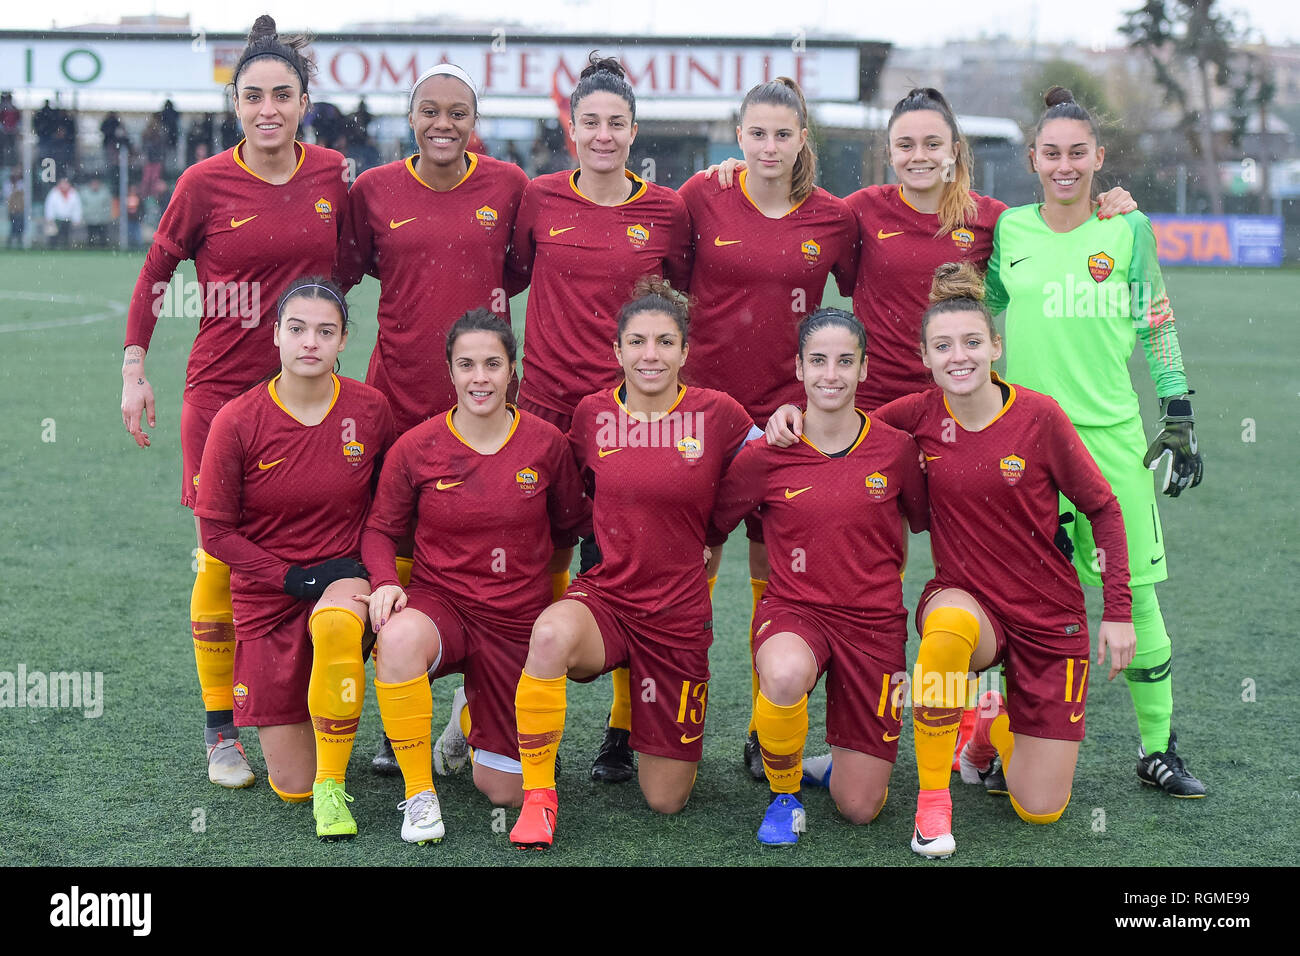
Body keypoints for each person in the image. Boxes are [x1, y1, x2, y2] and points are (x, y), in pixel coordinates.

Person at [712, 86, 1136, 772]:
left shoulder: (995, 222)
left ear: (954, 151)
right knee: (832, 569)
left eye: (932, 143)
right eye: (905, 144)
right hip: (874, 424)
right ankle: (776, 721)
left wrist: (1112, 205)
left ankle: (972, 728)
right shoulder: (857, 216)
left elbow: (1064, 224)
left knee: (969, 582)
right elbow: (791, 219)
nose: (918, 155)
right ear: (889, 151)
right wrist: (729, 174)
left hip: (961, 424)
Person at [767, 262, 1136, 856]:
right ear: (925, 357)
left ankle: (985, 733)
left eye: (971, 342)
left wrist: (1118, 611)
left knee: (1039, 810)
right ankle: (932, 805)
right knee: (946, 628)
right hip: (968, 602)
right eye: (943, 346)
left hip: (1050, 617)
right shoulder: (913, 417)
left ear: (995, 345)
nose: (958, 357)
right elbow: (836, 427)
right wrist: (787, 415)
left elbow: (1104, 509)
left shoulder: (1039, 418)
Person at [120, 14, 349, 791]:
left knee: (316, 546)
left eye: (282, 95)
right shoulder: (204, 182)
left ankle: (319, 707)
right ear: (235, 103)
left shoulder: (335, 174)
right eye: (253, 96)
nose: (268, 110)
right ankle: (222, 732)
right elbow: (156, 269)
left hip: (314, 400)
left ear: (304, 101)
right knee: (220, 554)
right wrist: (133, 368)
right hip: (221, 400)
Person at [984, 87, 1206, 797]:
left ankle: (1158, 748)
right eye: (1052, 153)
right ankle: (998, 744)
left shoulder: (1128, 231)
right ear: (1033, 160)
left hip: (1112, 443)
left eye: (1078, 152)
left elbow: (1158, 323)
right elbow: (980, 320)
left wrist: (1178, 411)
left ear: (1099, 159)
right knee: (1015, 600)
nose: (1065, 165)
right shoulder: (1009, 232)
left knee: (1135, 597)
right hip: (1024, 446)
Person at [508, 277, 755, 850]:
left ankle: (645, 736)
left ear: (685, 352)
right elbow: (565, 498)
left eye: (666, 342)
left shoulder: (718, 414)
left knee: (664, 800)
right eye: (638, 342)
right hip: (610, 598)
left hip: (678, 615)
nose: (651, 355)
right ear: (617, 351)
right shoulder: (592, 414)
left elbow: (772, 459)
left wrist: (716, 529)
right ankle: (539, 799)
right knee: (548, 635)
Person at [337, 63, 531, 775]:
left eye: (457, 111)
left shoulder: (508, 186)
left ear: (473, 121)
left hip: (482, 401)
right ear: (409, 117)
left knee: (489, 545)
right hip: (395, 399)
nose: (442, 123)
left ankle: (480, 707)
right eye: (429, 111)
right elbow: (341, 271)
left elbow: (517, 268)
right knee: (395, 543)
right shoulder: (375, 190)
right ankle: (399, 712)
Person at [507, 53, 691, 784]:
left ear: (634, 129)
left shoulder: (669, 211)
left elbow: (682, 303)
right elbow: (513, 274)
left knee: (622, 567)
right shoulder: (539, 199)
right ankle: (493, 713)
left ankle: (621, 730)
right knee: (530, 565)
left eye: (617, 123)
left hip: (630, 420)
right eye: (591, 123)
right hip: (547, 416)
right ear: (571, 129)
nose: (605, 135)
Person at [676, 78, 859, 781]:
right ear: (739, 135)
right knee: (688, 573)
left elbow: (885, 275)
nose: (770, 147)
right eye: (757, 133)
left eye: (783, 134)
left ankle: (764, 731)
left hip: (787, 424)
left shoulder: (834, 220)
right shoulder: (702, 197)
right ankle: (646, 724)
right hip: (702, 422)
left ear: (803, 139)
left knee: (776, 579)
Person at [360, 310, 588, 844]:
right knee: (395, 638)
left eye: (492, 363)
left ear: (514, 371)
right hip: (445, 607)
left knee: (503, 790)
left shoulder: (546, 444)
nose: (479, 377)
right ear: (451, 372)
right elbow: (378, 530)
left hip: (515, 620)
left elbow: (574, 525)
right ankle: (419, 796)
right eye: (467, 365)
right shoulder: (417, 447)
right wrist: (385, 581)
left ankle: (468, 715)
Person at [711, 308, 926, 845]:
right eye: (819, 361)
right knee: (782, 674)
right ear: (800, 369)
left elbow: (928, 520)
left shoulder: (896, 450)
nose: (831, 374)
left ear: (864, 369)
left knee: (860, 808)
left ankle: (831, 763)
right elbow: (712, 525)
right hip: (795, 613)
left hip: (874, 625)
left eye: (845, 361)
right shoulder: (767, 453)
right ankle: (784, 796)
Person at [196, 277, 394, 838]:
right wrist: (295, 578)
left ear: (343, 341)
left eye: (325, 331)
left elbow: (387, 513)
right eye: (298, 329)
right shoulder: (237, 420)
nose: (311, 342)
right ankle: (312, 745)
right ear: (277, 336)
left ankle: (337, 775)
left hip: (342, 584)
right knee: (291, 786)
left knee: (335, 624)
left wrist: (371, 576)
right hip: (269, 595)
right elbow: (215, 534)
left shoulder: (370, 409)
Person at [43, 177, 81, 249]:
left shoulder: (73, 193)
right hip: (56, 219)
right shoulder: (54, 192)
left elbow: (77, 207)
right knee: (53, 237)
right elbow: (49, 206)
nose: (64, 185)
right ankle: (52, 251)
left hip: (68, 219)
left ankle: (65, 251)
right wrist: (49, 218)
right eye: (62, 183)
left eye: (66, 183)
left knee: (66, 237)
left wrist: (76, 219)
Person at [81, 176, 114, 248]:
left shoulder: (105, 193)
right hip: (90, 219)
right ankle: (90, 249)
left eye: (96, 184)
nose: (95, 185)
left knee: (103, 236)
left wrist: (107, 216)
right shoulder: (85, 193)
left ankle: (104, 250)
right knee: (90, 236)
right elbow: (82, 205)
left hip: (102, 219)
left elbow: (108, 205)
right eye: (93, 184)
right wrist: (85, 215)